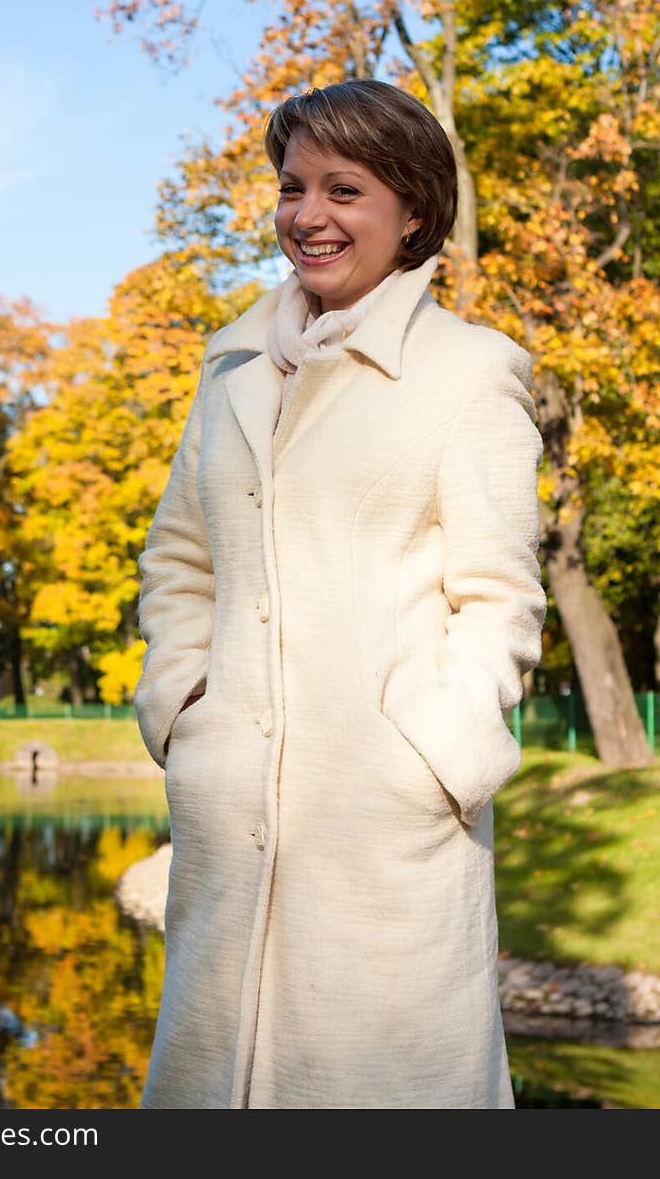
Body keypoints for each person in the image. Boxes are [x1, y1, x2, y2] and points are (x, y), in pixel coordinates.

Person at [132, 78, 547, 1110]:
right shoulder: (228, 370)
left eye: (344, 189)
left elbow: (497, 598)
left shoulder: (468, 373)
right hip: (230, 812)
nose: (307, 215)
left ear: (413, 210)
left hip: (386, 823)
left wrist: (429, 755)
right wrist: (185, 711)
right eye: (291, 187)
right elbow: (181, 559)